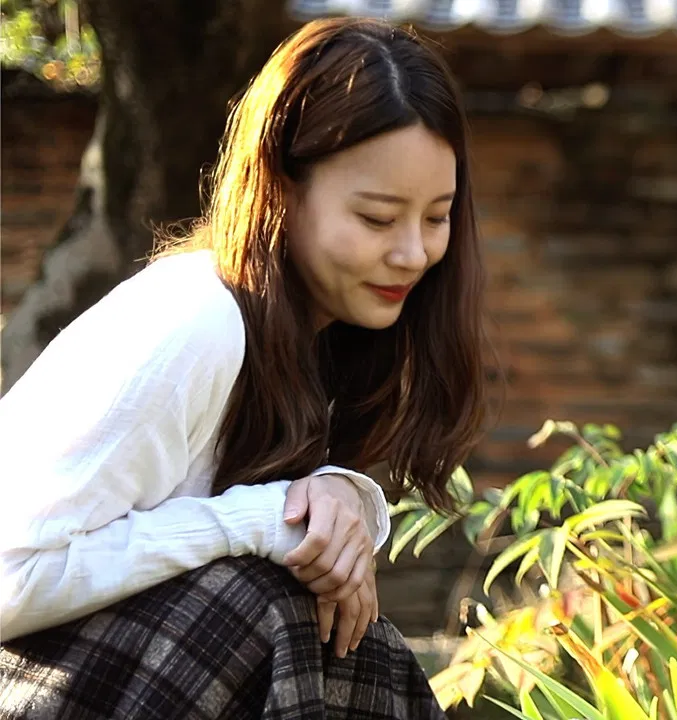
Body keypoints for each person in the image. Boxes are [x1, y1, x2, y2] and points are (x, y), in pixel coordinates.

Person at [0, 16, 486, 718]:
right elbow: (11, 577)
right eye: (379, 219)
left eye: (436, 217)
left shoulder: (320, 334)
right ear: (283, 189)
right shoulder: (199, 320)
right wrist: (255, 520)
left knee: (354, 645)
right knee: (266, 602)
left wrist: (342, 494)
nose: (412, 253)